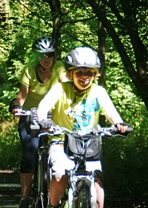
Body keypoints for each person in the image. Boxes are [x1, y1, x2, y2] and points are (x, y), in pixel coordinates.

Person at [37, 46, 128, 208]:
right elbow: (42, 108)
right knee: (60, 176)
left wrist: (119, 124)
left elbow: (111, 112)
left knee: (97, 180)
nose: (85, 77)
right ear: (70, 74)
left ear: (95, 75)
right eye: (80, 72)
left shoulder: (99, 92)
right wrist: (44, 121)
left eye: (89, 73)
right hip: (61, 142)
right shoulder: (60, 89)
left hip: (89, 145)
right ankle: (53, 206)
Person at [11, 36, 67, 208]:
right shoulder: (29, 69)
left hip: (54, 116)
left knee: (63, 151)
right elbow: (22, 96)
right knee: (30, 156)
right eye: (42, 55)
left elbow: (67, 86)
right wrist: (16, 107)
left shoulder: (59, 68)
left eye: (50, 54)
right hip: (31, 115)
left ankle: (61, 193)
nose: (46, 58)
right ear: (36, 56)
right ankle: (25, 198)